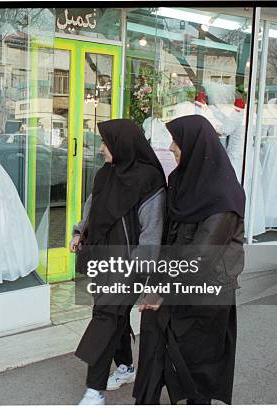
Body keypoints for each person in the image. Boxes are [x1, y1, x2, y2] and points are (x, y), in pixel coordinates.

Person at [133, 114, 245, 405]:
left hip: (206, 292)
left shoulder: (224, 196)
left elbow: (201, 255)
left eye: (176, 141)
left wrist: (161, 289)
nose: (171, 148)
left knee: (196, 365)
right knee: (154, 342)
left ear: (195, 145)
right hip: (175, 280)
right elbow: (170, 241)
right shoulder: (180, 179)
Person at [70, 119, 166, 405]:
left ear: (121, 145)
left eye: (106, 143)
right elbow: (92, 207)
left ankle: (94, 390)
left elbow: (153, 230)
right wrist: (79, 232)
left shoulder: (148, 180)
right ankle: (126, 366)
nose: (101, 149)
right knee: (115, 315)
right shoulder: (106, 174)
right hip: (102, 259)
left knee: (105, 317)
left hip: (128, 265)